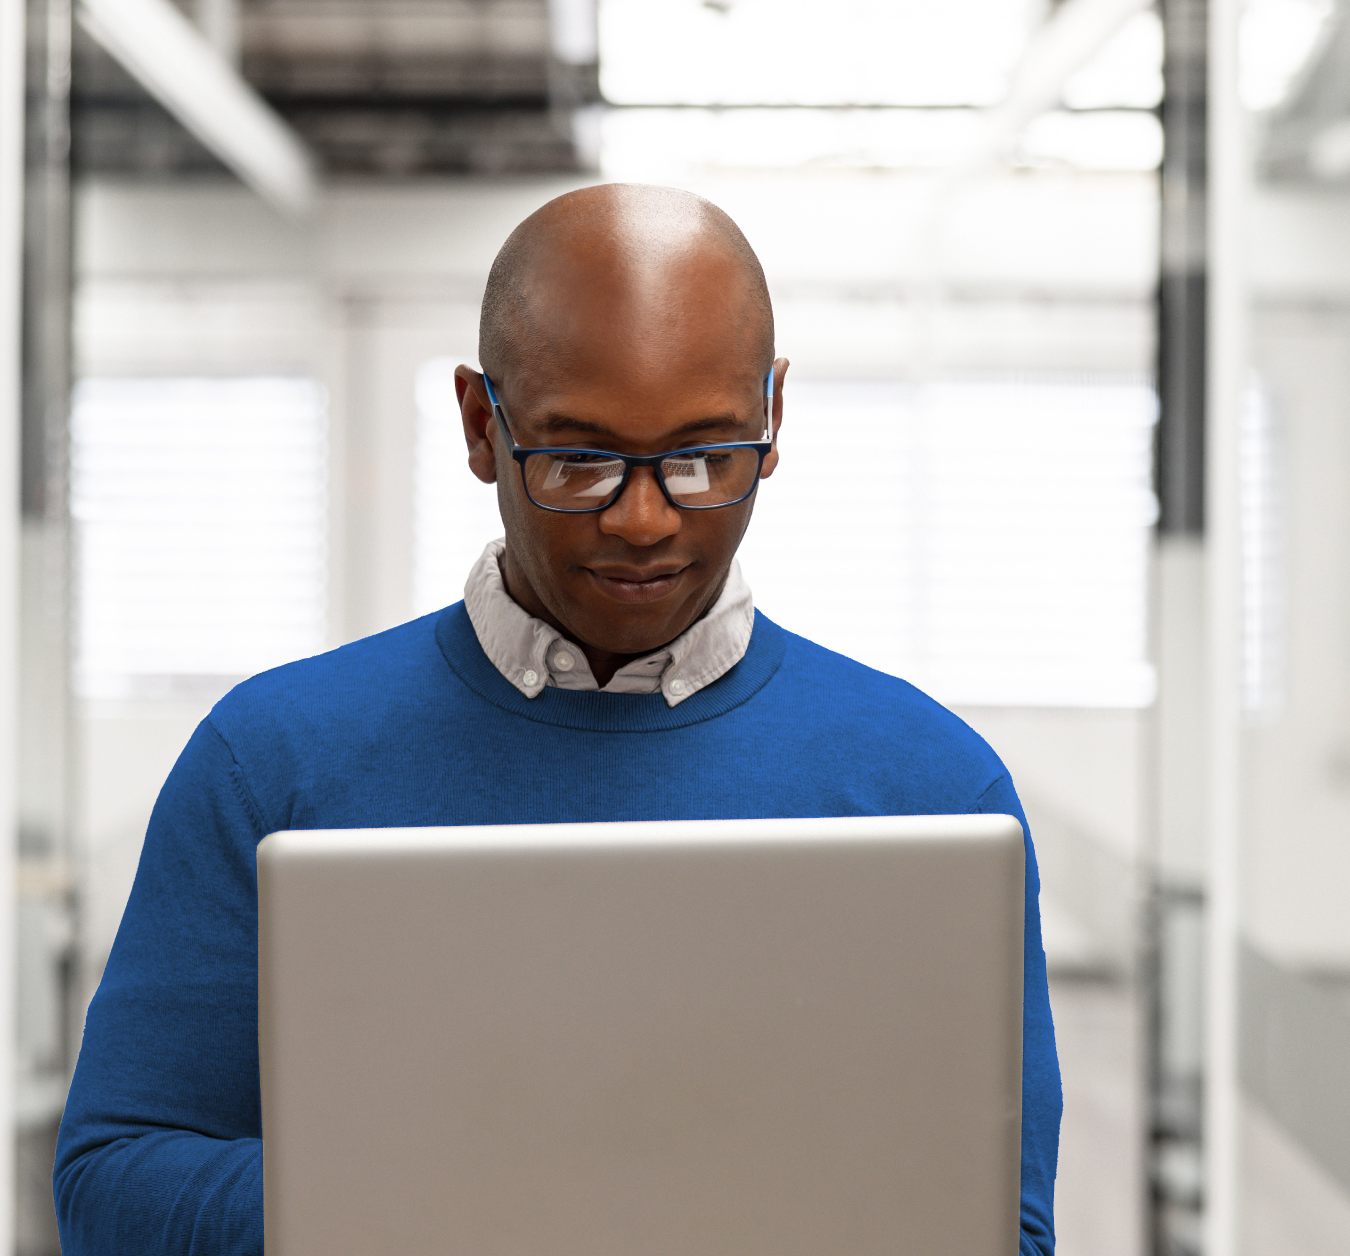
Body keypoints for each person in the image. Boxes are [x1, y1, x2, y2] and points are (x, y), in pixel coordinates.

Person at [53, 183, 1061, 1256]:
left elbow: (1004, 1228)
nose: (644, 520)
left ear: (773, 418)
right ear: (481, 425)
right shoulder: (271, 761)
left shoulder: (930, 789)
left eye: (701, 458)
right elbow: (110, 1187)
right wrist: (482, 1193)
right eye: (580, 461)